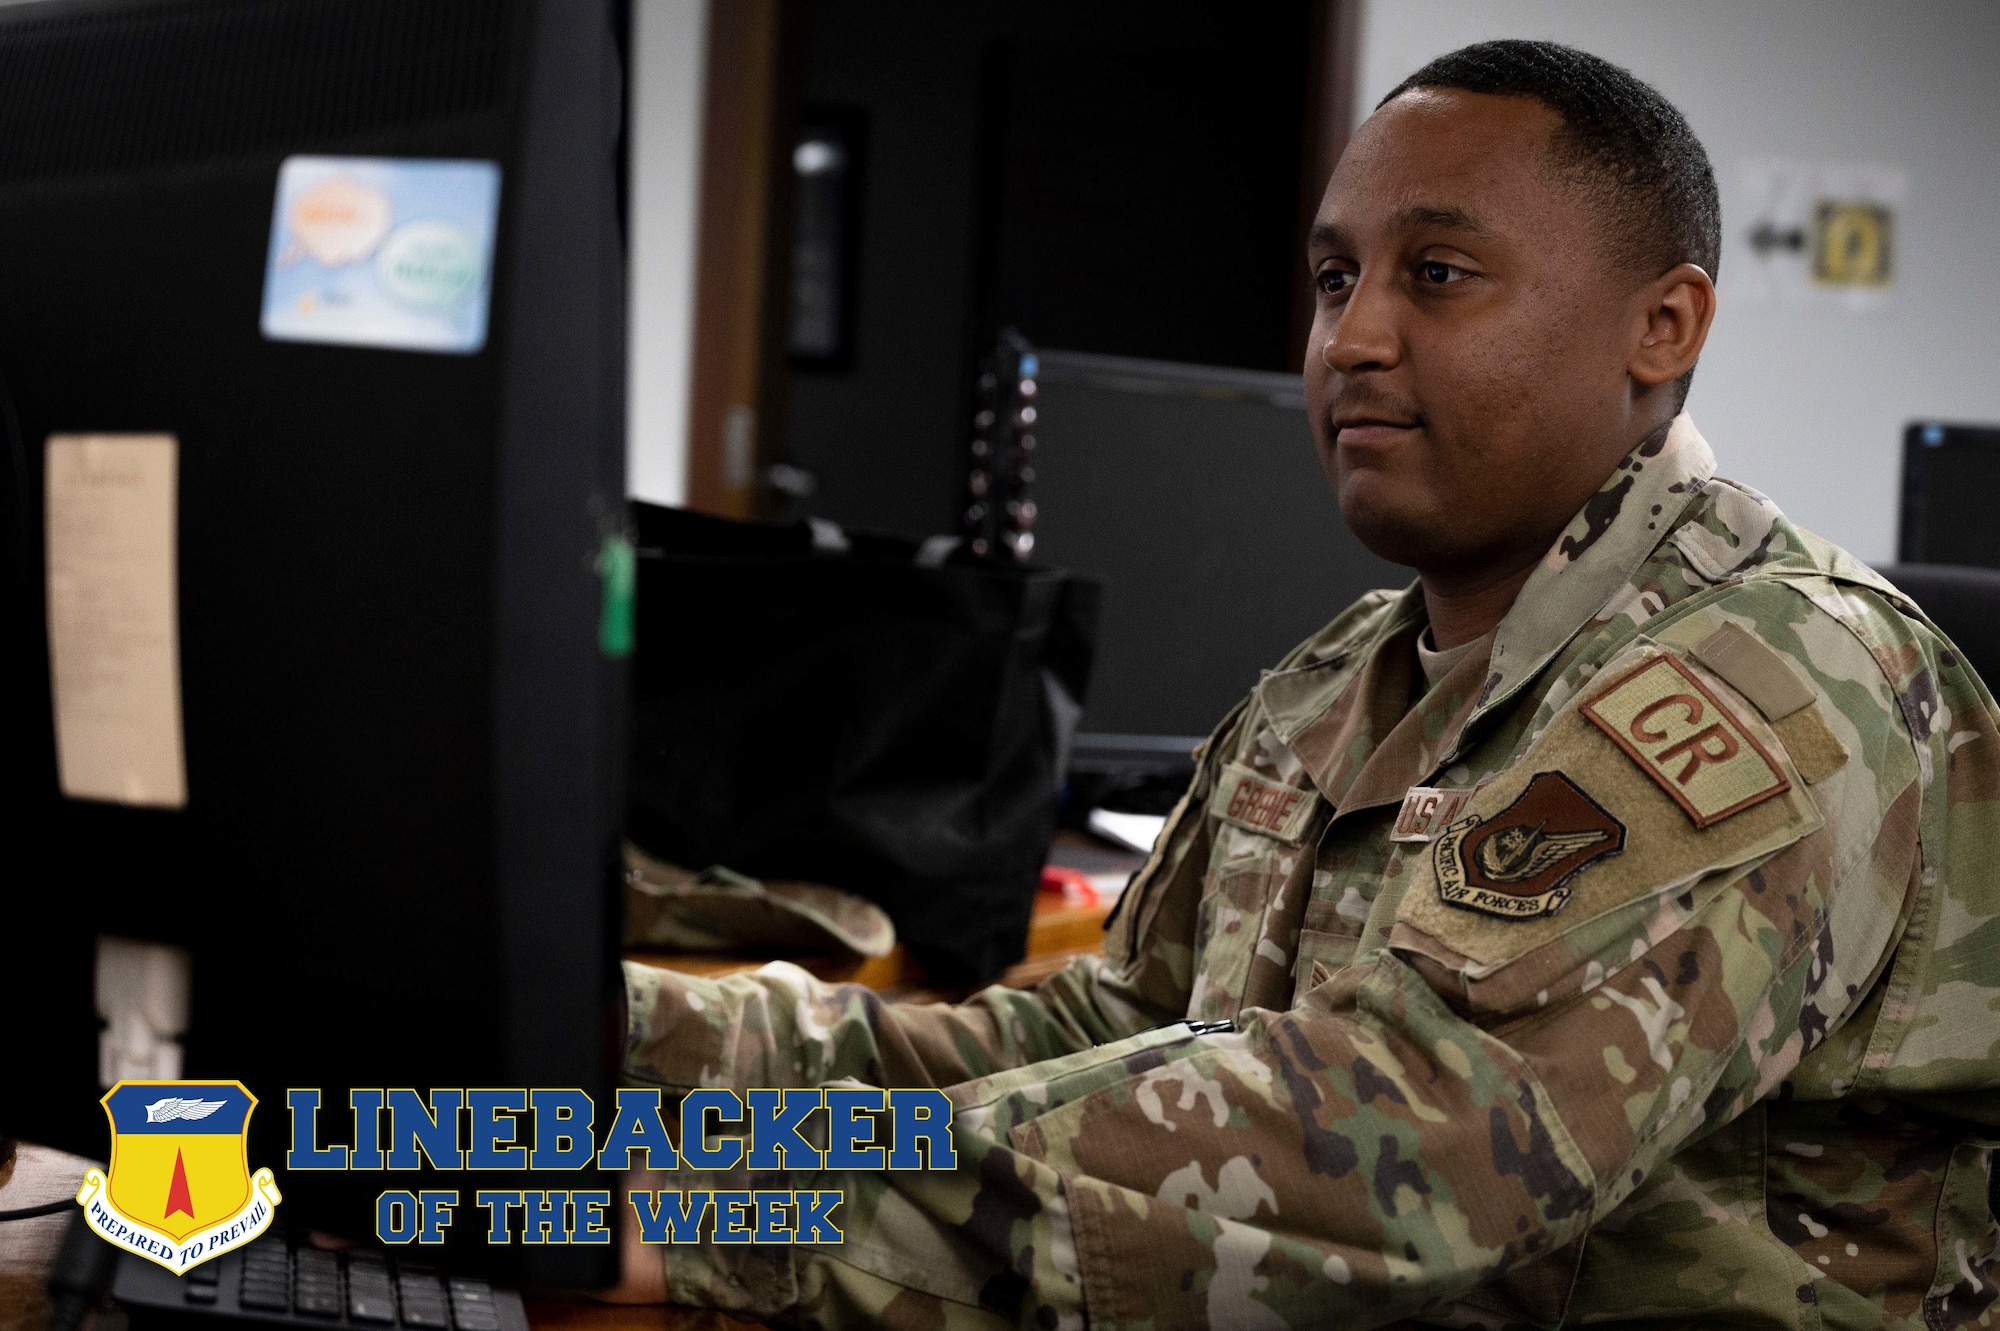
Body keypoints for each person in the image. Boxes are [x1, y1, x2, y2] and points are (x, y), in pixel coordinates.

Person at [615, 39, 2000, 1329]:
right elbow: (1119, 1032)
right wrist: (605, 1039)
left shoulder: (1780, 684)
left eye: (1438, 274)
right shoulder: (1340, 680)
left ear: (1664, 324)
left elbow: (1415, 1135)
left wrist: (724, 1209)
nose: (1352, 338)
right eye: (1336, 280)